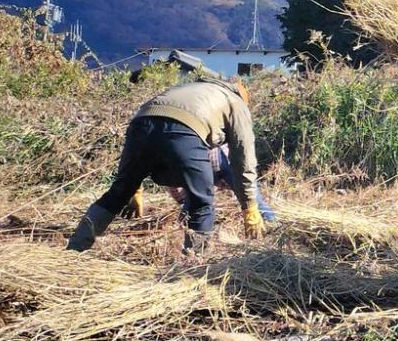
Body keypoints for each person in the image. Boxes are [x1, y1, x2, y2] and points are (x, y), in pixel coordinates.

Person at [68, 77, 265, 255]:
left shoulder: (191, 88)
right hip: (184, 133)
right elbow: (243, 158)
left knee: (117, 194)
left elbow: (154, 127)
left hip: (140, 125)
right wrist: (249, 207)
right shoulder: (236, 103)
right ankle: (194, 265)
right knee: (201, 202)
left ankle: (73, 250)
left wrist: (133, 187)